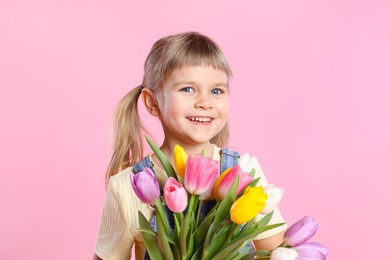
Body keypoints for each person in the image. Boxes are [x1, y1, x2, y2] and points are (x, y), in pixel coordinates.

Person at [94, 32, 287, 260]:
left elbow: (276, 252)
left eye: (216, 91)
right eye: (187, 89)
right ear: (152, 102)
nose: (205, 103)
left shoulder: (244, 173)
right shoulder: (129, 187)